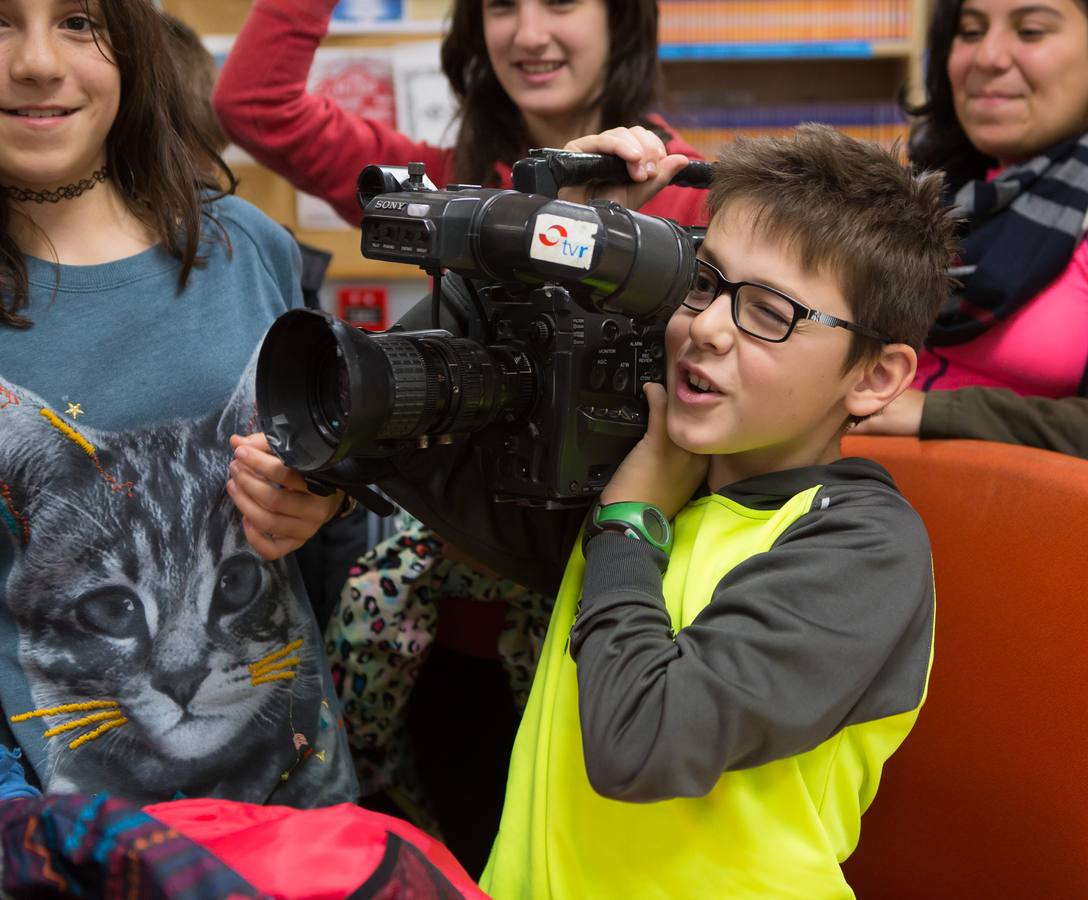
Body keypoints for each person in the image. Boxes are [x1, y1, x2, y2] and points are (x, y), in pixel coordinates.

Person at [365, 124, 956, 897]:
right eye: (704, 283)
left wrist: (630, 519)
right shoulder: (634, 467)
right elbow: (389, 426)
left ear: (877, 376)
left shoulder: (861, 546)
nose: (706, 327)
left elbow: (640, 744)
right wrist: (544, 246)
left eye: (769, 312)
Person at [0, 0, 356, 806]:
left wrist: (320, 498)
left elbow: (325, 465)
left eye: (78, 22)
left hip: (295, 811)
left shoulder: (245, 245)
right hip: (61, 837)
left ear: (129, 42)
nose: (36, 62)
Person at [212, 0, 708, 228]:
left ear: (618, 19)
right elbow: (255, 104)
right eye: (502, 6)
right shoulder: (441, 188)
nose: (528, 34)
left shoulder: (691, 194)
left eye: (560, 2)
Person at [858, 0, 1088, 447]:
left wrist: (933, 411)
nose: (988, 57)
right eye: (969, 31)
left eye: (1031, 31)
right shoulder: (922, 188)